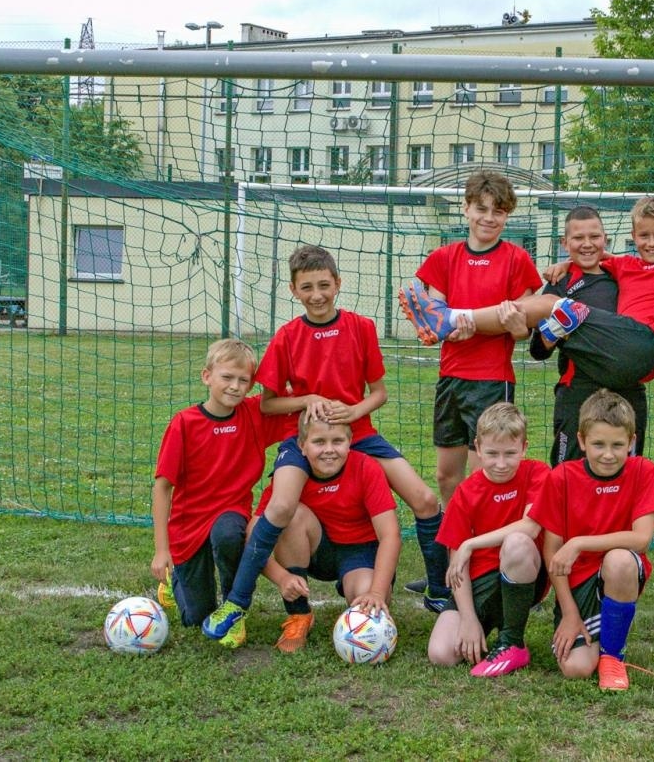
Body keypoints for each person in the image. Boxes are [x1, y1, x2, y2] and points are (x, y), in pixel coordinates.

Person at [202, 245, 447, 646]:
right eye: (307, 288)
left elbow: (379, 393)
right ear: (294, 291)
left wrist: (354, 412)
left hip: (358, 431)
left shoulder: (361, 328)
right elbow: (267, 404)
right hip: (302, 436)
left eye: (323, 285)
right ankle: (237, 602)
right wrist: (307, 400)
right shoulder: (287, 337)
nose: (317, 294)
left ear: (337, 284)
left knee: (423, 497)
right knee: (281, 506)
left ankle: (439, 591)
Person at [399, 196, 654, 397]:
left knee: (552, 307)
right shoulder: (624, 265)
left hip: (647, 345)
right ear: (632, 235)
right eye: (643, 236)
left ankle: (448, 318)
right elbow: (590, 257)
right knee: (552, 309)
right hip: (619, 362)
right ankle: (458, 322)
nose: (651, 243)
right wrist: (565, 264)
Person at [410, 170, 541, 547]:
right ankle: (455, 551)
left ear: (507, 216)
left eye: (498, 211)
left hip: (490, 379)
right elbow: (432, 326)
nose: (488, 218)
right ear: (466, 209)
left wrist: (489, 325)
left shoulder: (516, 259)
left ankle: (487, 552)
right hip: (451, 378)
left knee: (485, 475)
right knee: (446, 477)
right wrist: (450, 326)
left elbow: (522, 327)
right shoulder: (444, 258)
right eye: (481, 209)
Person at [527, 389, 654, 691]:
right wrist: (568, 613)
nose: (608, 454)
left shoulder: (644, 471)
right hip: (575, 582)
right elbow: (553, 556)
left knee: (619, 559)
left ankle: (613, 657)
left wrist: (579, 543)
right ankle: (600, 628)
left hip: (617, 573)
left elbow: (641, 539)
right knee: (576, 669)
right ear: (581, 441)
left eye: (618, 445)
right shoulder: (562, 478)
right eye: (598, 444)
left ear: (631, 442)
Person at [149, 338, 288, 631]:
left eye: (243, 380)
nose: (235, 386)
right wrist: (162, 550)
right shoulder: (184, 423)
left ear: (251, 386)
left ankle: (233, 608)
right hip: (188, 528)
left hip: (229, 514)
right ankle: (176, 585)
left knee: (227, 534)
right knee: (196, 619)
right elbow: (162, 488)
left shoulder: (254, 414)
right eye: (227, 377)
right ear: (207, 376)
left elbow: (297, 399)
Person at [246, 410, 402, 653]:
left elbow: (390, 535)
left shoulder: (366, 468)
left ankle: (368, 605)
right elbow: (253, 538)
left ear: (349, 443)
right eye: (319, 442)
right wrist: (281, 577)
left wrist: (377, 591)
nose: (329, 449)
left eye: (337, 441)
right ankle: (299, 615)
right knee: (292, 514)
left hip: (361, 553)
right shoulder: (290, 478)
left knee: (366, 603)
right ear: (302, 446)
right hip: (318, 549)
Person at [426, 402, 551, 677]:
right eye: (492, 453)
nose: (501, 463)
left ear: (524, 448)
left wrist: (472, 543)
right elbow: (456, 564)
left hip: (523, 570)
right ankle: (483, 625)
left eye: (510, 453)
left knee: (517, 543)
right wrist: (469, 619)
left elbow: (530, 528)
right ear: (478, 448)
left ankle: (513, 642)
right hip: (479, 582)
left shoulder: (538, 473)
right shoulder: (466, 492)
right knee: (441, 654)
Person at [528, 205, 648, 465]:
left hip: (628, 389)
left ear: (605, 239)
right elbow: (538, 350)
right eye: (578, 238)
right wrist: (558, 330)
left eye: (594, 237)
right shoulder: (559, 284)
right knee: (567, 474)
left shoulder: (626, 275)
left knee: (627, 472)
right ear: (565, 242)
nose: (587, 244)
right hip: (578, 391)